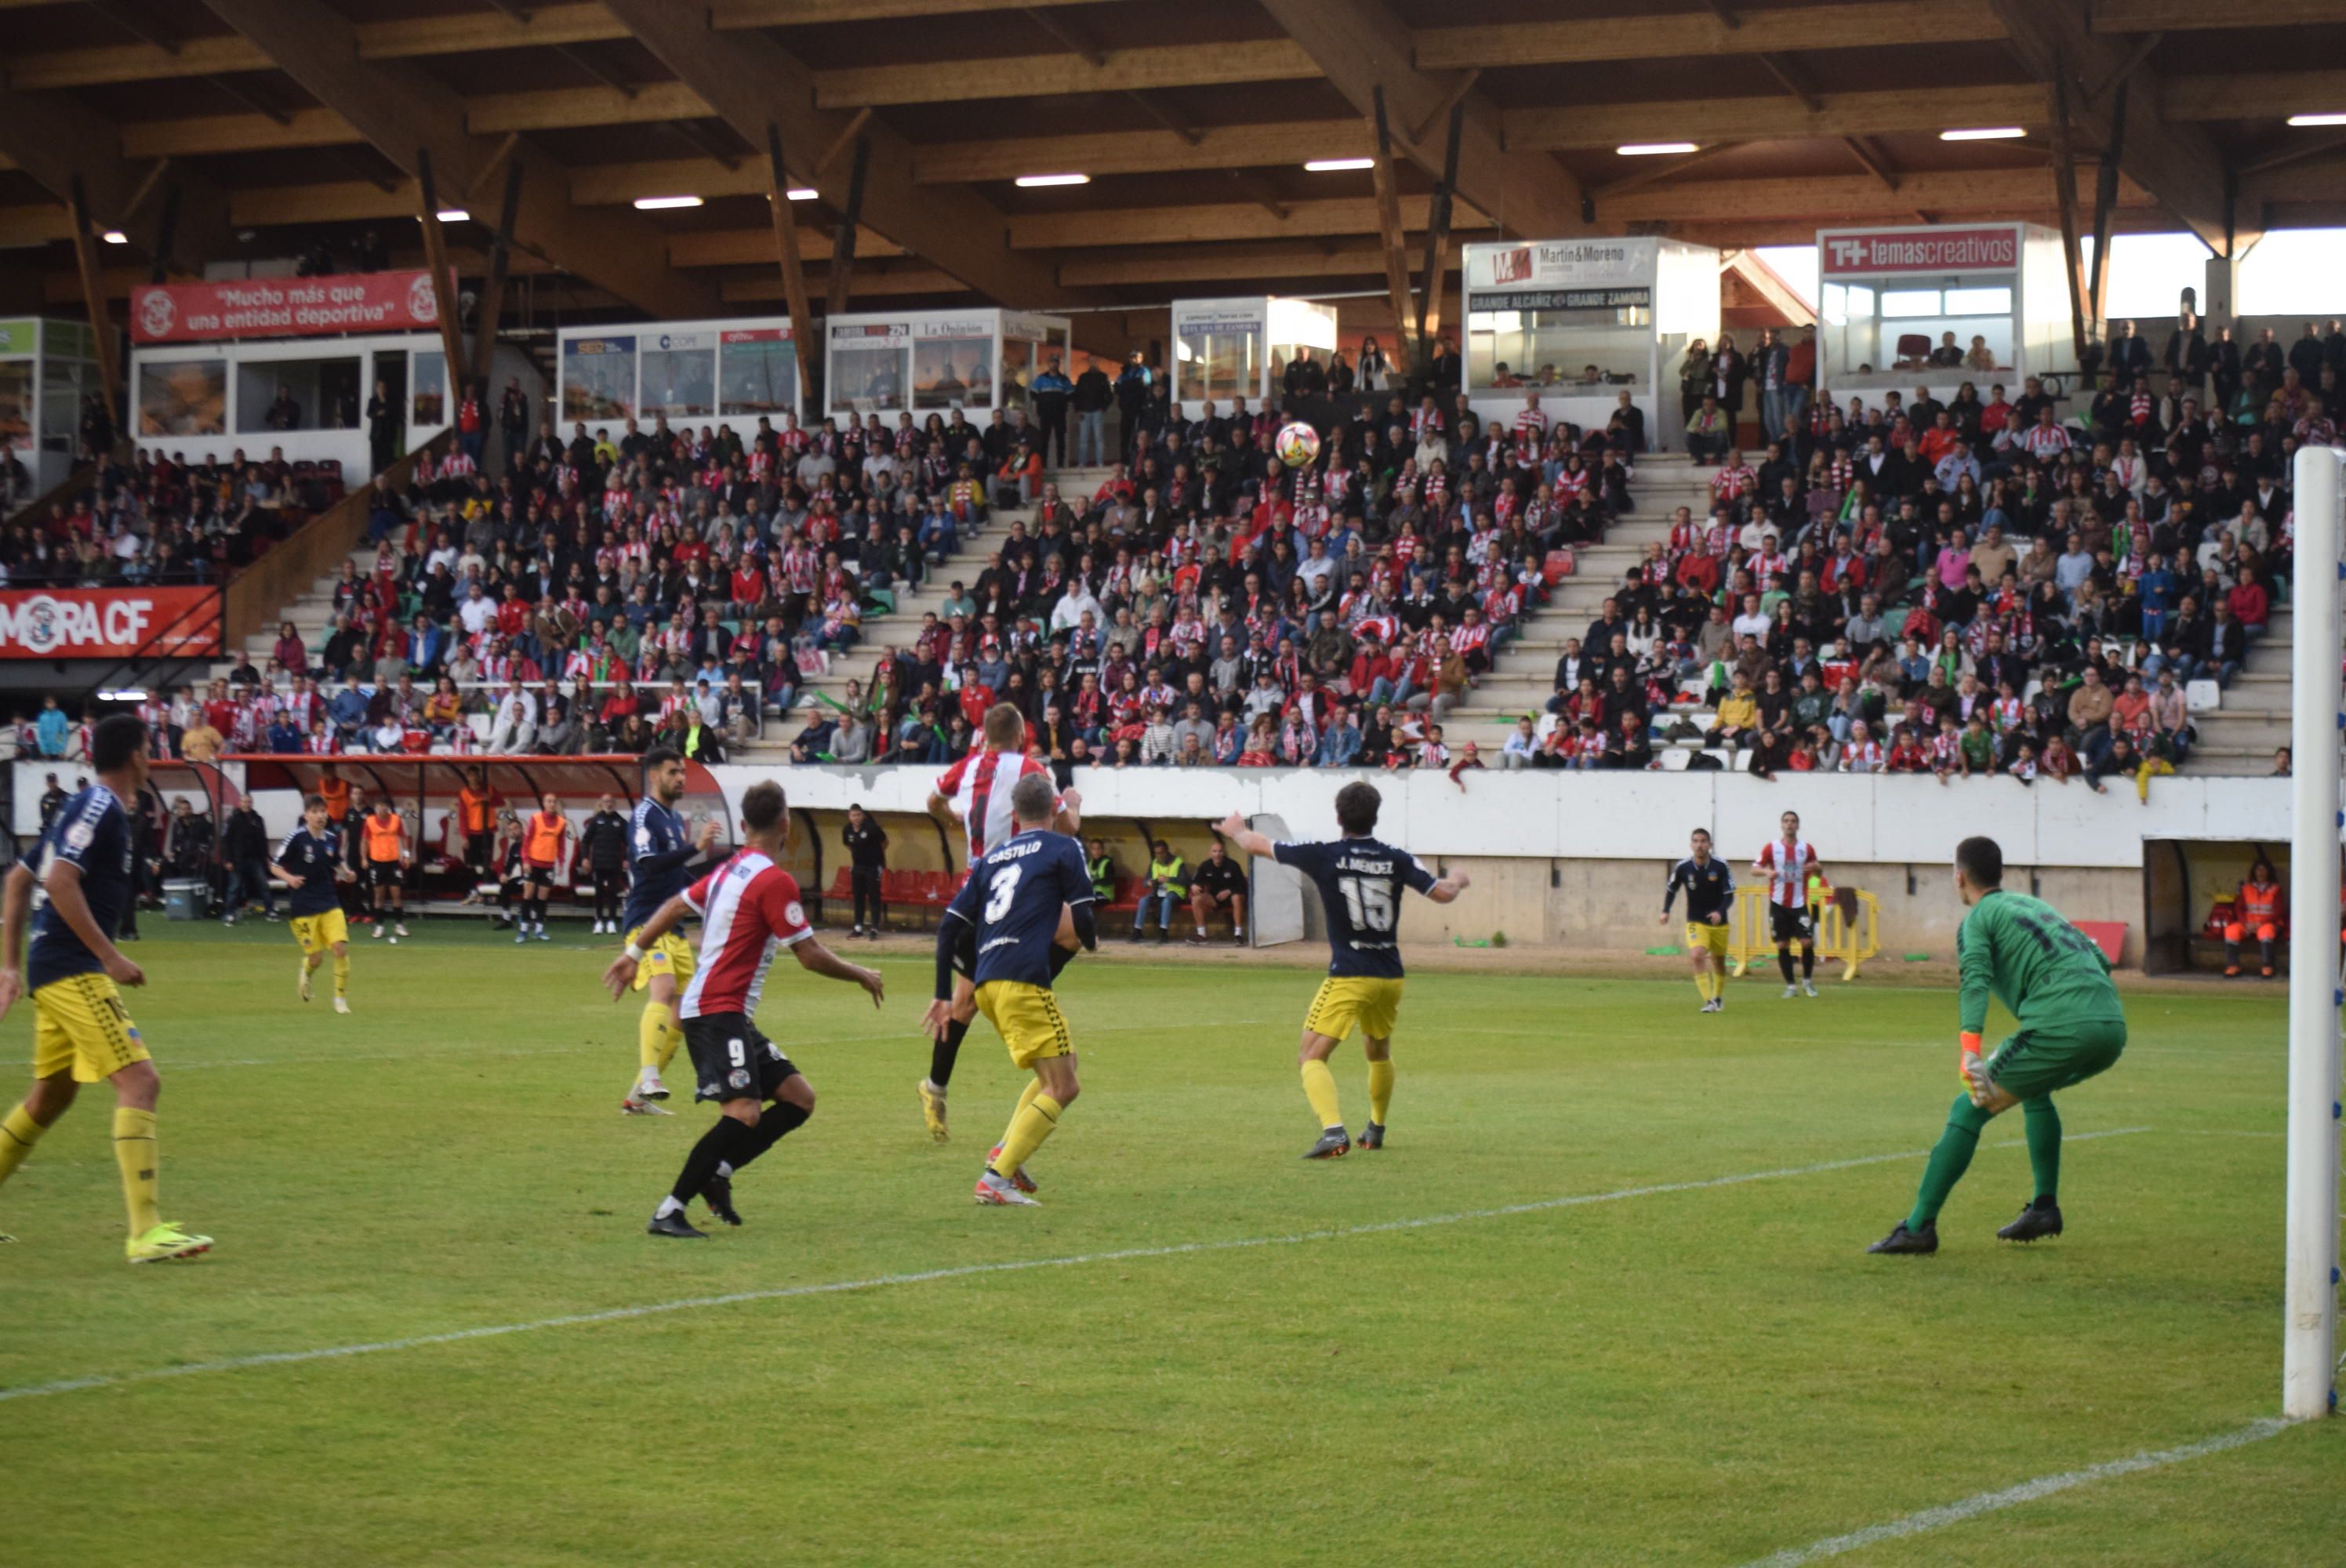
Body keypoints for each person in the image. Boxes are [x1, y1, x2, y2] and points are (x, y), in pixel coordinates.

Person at [604, 780, 885, 1240]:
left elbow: (675, 905)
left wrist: (634, 954)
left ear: (744, 824)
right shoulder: (772, 880)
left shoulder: (730, 868)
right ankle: (670, 1209)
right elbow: (810, 955)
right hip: (717, 1010)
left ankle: (720, 1172)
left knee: (798, 1098)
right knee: (744, 1112)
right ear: (786, 824)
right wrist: (861, 973)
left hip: (727, 1012)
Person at [0, 714, 213, 1262]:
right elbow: (59, 881)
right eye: (148, 749)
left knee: (51, 1097)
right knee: (141, 1081)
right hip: (73, 968)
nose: (152, 757)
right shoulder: (100, 807)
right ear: (136, 756)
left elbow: (19, 880)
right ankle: (145, 1232)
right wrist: (108, 954)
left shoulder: (85, 806)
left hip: (53, 967)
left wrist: (10, 967)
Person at [1870, 836, 2127, 1254]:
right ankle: (2044, 1207)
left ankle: (1918, 1227)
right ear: (2000, 873)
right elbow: (2099, 959)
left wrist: (1970, 1048)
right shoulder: (2036, 906)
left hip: (2061, 1026)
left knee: (1967, 1108)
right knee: (2034, 1089)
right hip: (2112, 1024)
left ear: (1959, 877)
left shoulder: (1977, 920)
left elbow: (1974, 979)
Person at [1214, 783, 1469, 1159]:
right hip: (1390, 975)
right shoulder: (1397, 857)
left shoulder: (1324, 855)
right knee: (1378, 1051)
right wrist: (1459, 880)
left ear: (1338, 817)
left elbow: (1257, 845)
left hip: (1350, 973)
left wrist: (1235, 829)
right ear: (1375, 817)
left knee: (1310, 1056)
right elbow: (1442, 893)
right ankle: (1376, 1128)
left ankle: (1333, 1132)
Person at [924, 772, 1098, 1207]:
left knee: (1060, 1068)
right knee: (1065, 1087)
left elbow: (948, 927)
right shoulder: (1064, 846)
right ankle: (995, 1179)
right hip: (1022, 980)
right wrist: (1090, 941)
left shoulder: (993, 855)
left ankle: (1007, 1153)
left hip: (985, 983)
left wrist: (944, 992)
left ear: (1013, 814)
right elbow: (1084, 912)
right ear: (1055, 807)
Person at [917, 702, 1080, 1143]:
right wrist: (1076, 806)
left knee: (964, 1002)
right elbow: (1064, 827)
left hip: (976, 891)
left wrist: (956, 820)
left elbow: (933, 800)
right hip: (1011, 894)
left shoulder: (964, 768)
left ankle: (934, 1086)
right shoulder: (1031, 767)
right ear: (1023, 734)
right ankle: (1026, 984)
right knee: (1073, 930)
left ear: (984, 735)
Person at [620, 748, 722, 1114]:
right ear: (654, 777)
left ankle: (636, 1098)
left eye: (682, 772)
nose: (681, 778)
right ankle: (650, 1074)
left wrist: (714, 886)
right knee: (662, 990)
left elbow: (677, 875)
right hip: (648, 921)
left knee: (685, 1012)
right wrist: (694, 847)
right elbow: (648, 865)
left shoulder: (674, 818)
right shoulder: (645, 815)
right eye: (673, 772)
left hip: (674, 927)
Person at [273, 793, 354, 1015]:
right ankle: (307, 972)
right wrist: (289, 879)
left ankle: (340, 999)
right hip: (304, 907)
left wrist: (346, 872)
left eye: (323, 811)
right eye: (315, 812)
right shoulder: (296, 838)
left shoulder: (330, 838)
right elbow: (274, 865)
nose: (320, 816)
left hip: (329, 901)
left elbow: (336, 861)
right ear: (306, 815)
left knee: (340, 948)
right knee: (316, 958)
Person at [1661, 827, 1735, 1013]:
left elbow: (1729, 895)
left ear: (1709, 845)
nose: (1699, 845)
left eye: (1703, 841)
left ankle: (1717, 997)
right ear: (1691, 844)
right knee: (1697, 956)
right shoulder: (1683, 867)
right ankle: (1708, 1001)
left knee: (1719, 961)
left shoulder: (1720, 866)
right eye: (1696, 841)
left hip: (1719, 923)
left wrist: (1720, 912)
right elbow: (1672, 889)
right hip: (1696, 921)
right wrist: (1665, 911)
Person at [1752, 809, 1824, 999]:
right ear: (1781, 825)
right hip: (1778, 904)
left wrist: (1818, 868)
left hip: (1799, 904)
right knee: (1782, 944)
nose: (1789, 824)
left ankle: (1807, 982)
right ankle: (1791, 986)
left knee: (1806, 942)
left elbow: (1818, 872)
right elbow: (1754, 868)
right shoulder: (1772, 848)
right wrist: (1767, 873)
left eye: (1793, 821)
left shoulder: (1806, 848)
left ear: (1798, 825)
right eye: (1786, 821)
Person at [516, 793, 570, 943]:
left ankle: (539, 929)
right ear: (544, 804)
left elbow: (561, 845)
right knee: (528, 895)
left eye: (554, 801)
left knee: (542, 898)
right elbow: (526, 841)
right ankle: (524, 929)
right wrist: (525, 860)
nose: (552, 804)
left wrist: (561, 861)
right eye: (549, 801)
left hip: (548, 864)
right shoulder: (536, 818)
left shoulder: (561, 822)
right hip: (533, 862)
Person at [360, 794, 410, 942]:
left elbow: (403, 838)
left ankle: (399, 925)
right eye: (379, 805)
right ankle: (379, 925)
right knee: (379, 895)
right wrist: (363, 858)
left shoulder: (396, 820)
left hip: (393, 862)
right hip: (377, 863)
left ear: (388, 807)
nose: (382, 808)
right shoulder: (369, 822)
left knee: (396, 894)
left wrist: (406, 855)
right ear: (375, 808)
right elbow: (364, 841)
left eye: (384, 805)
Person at [579, 793, 630, 937]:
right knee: (599, 893)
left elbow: (629, 842)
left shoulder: (620, 822)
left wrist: (626, 858)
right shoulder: (596, 821)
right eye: (605, 802)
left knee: (613, 893)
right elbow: (586, 840)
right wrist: (585, 858)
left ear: (614, 803)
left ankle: (612, 921)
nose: (608, 804)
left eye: (611, 802)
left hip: (614, 864)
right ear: (601, 804)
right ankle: (599, 921)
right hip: (598, 864)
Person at [221, 796, 276, 924]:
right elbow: (226, 841)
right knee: (234, 887)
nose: (247, 804)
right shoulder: (233, 819)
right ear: (240, 803)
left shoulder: (258, 819)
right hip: (237, 859)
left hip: (255, 859)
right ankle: (229, 914)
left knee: (264, 885)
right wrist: (228, 860)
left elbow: (263, 839)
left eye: (249, 802)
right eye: (244, 802)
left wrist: (266, 857)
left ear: (252, 803)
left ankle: (270, 911)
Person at [2224, 858, 2282, 979]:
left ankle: (2268, 967)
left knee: (2266, 933)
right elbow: (2239, 908)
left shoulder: (2275, 889)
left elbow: (2278, 911)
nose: (2260, 873)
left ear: (2269, 872)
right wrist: (2245, 923)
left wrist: (2260, 923)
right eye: (2258, 869)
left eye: (2263, 870)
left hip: (2267, 923)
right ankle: (2233, 966)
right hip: (2248, 923)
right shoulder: (2246, 888)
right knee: (2231, 931)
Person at [1189, 836, 1247, 945]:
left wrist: (1229, 891)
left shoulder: (1233, 865)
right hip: (1215, 899)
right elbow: (1194, 881)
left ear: (1223, 853)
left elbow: (1243, 886)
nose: (1217, 854)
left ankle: (1238, 935)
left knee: (1236, 897)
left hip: (1232, 897)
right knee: (1196, 899)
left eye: (1220, 851)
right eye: (1214, 851)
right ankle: (1202, 935)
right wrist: (1193, 885)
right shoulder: (1205, 866)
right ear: (1210, 854)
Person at [844, 803, 888, 938]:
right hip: (858, 868)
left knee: (874, 897)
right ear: (849, 817)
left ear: (862, 815)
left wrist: (875, 856)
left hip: (873, 868)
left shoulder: (872, 828)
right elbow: (848, 845)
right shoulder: (847, 830)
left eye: (858, 815)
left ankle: (874, 928)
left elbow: (885, 842)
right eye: (853, 815)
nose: (856, 818)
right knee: (858, 897)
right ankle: (858, 927)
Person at [1130, 837, 1188, 942]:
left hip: (1175, 892)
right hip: (1159, 892)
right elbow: (1145, 882)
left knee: (1166, 901)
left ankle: (1163, 932)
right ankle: (1137, 930)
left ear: (1167, 851)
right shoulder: (1154, 863)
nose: (1159, 856)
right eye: (1157, 853)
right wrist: (1149, 882)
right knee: (1143, 901)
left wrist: (1168, 879)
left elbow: (1185, 880)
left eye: (1161, 853)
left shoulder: (1178, 862)